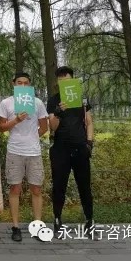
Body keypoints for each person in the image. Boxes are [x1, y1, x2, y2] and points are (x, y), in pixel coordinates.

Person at [0, 72, 48, 242]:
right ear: (13, 84)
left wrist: (32, 137)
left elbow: (44, 127)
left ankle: (38, 225)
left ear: (30, 84)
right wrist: (16, 120)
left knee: (36, 189)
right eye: (19, 82)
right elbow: (2, 128)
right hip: (14, 150)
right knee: (15, 188)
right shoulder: (6, 103)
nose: (23, 85)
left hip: (34, 152)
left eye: (26, 83)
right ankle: (15, 226)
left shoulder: (37, 102)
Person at [47, 66, 94, 238]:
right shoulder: (54, 100)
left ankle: (89, 220)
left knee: (84, 185)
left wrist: (89, 143)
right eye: (60, 81)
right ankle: (57, 219)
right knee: (59, 185)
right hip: (61, 149)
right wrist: (58, 112)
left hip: (80, 148)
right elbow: (53, 127)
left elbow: (89, 122)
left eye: (66, 80)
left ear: (73, 80)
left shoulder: (82, 99)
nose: (63, 83)